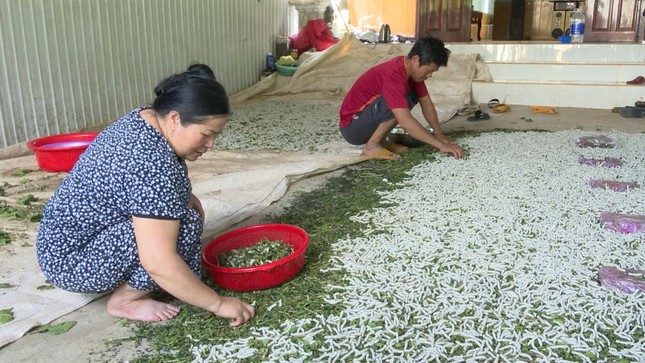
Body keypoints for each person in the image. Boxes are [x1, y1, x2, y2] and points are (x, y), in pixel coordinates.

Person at [36, 63, 255, 326]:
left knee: (181, 209)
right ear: (174, 118)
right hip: (74, 262)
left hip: (60, 245)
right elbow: (157, 262)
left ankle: (155, 282)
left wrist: (181, 195)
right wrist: (218, 303)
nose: (210, 145)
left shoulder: (147, 117)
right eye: (207, 135)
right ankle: (125, 300)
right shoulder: (151, 165)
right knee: (183, 225)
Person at [339, 36, 465, 160]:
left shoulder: (412, 72)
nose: (429, 75)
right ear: (415, 59)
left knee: (410, 95)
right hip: (352, 127)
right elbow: (404, 121)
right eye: (428, 71)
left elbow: (426, 102)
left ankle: (382, 142)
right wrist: (440, 145)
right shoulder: (394, 76)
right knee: (396, 102)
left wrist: (438, 134)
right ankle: (371, 147)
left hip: (365, 120)